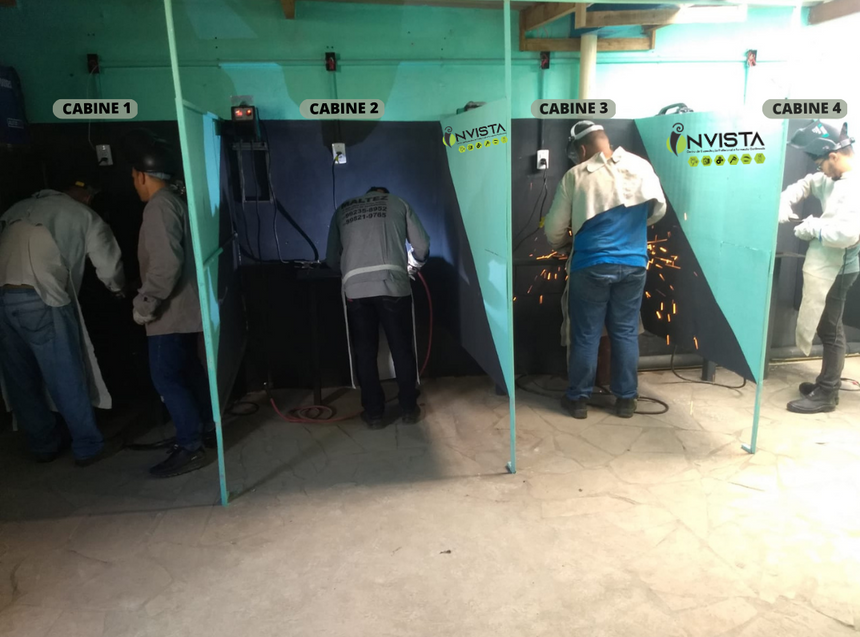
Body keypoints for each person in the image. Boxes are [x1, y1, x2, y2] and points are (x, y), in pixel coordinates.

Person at [544, 121, 666, 420]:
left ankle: (579, 400)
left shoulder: (576, 176)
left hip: (591, 266)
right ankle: (626, 400)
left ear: (582, 149)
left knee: (586, 334)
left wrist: (565, 243)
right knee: (625, 332)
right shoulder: (641, 166)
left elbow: (553, 229)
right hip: (634, 264)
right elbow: (656, 212)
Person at [0, 175, 125, 465]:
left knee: (21, 380)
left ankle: (43, 445)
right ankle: (87, 445)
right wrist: (118, 289)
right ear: (87, 196)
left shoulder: (17, 207)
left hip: (3, 298)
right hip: (41, 297)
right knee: (65, 375)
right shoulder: (83, 214)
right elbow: (109, 267)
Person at [124, 131, 213, 477]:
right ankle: (204, 431)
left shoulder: (159, 206)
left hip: (168, 314)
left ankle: (190, 446)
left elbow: (166, 264)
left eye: (134, 176)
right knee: (189, 373)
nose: (134, 183)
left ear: (141, 176)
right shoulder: (176, 201)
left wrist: (145, 304)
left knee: (166, 379)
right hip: (187, 310)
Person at [326, 187, 430, 429]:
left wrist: (352, 274)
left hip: (356, 290)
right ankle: (408, 408)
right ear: (385, 193)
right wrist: (412, 266)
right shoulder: (398, 203)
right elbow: (422, 246)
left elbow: (331, 259)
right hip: (392, 285)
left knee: (365, 352)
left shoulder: (343, 209)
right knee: (401, 349)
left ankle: (374, 414)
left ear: (368, 194)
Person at [779, 120, 858, 414]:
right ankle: (826, 383)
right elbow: (808, 183)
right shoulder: (834, 177)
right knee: (828, 327)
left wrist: (814, 228)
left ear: (833, 156)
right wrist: (786, 200)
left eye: (821, 164)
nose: (820, 170)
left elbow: (847, 234)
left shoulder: (854, 186)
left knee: (830, 329)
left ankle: (827, 393)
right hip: (830, 263)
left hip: (841, 267)